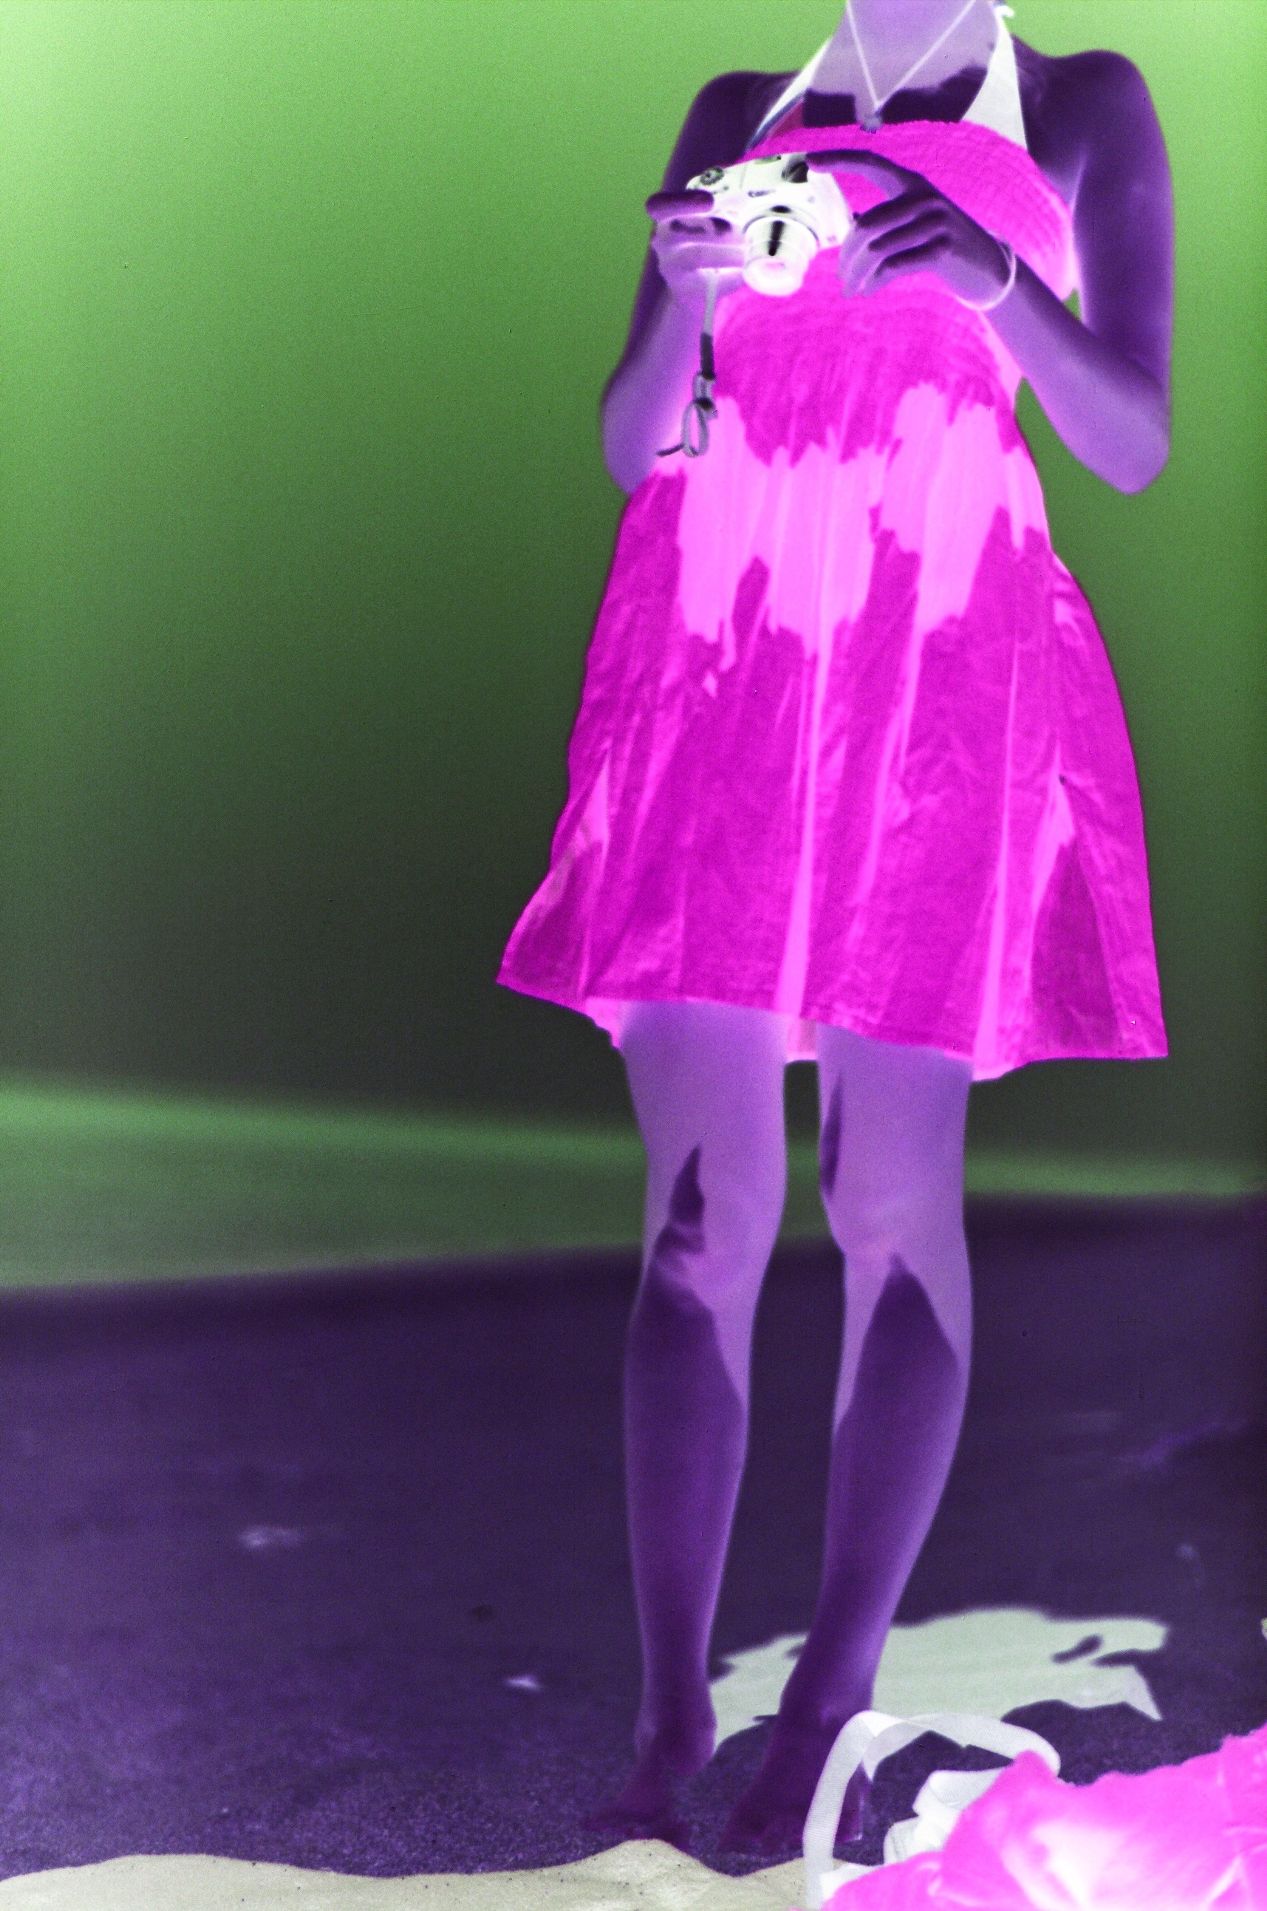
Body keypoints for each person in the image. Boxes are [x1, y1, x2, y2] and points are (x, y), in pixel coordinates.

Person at [495, 0, 1174, 1860]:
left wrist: (988, 281)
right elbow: (635, 440)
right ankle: (665, 1717)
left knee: (887, 1197)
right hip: (721, 649)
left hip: (937, 662)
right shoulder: (743, 103)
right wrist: (689, 299)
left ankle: (822, 1706)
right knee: (696, 1224)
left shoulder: (1082, 102)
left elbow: (1130, 440)